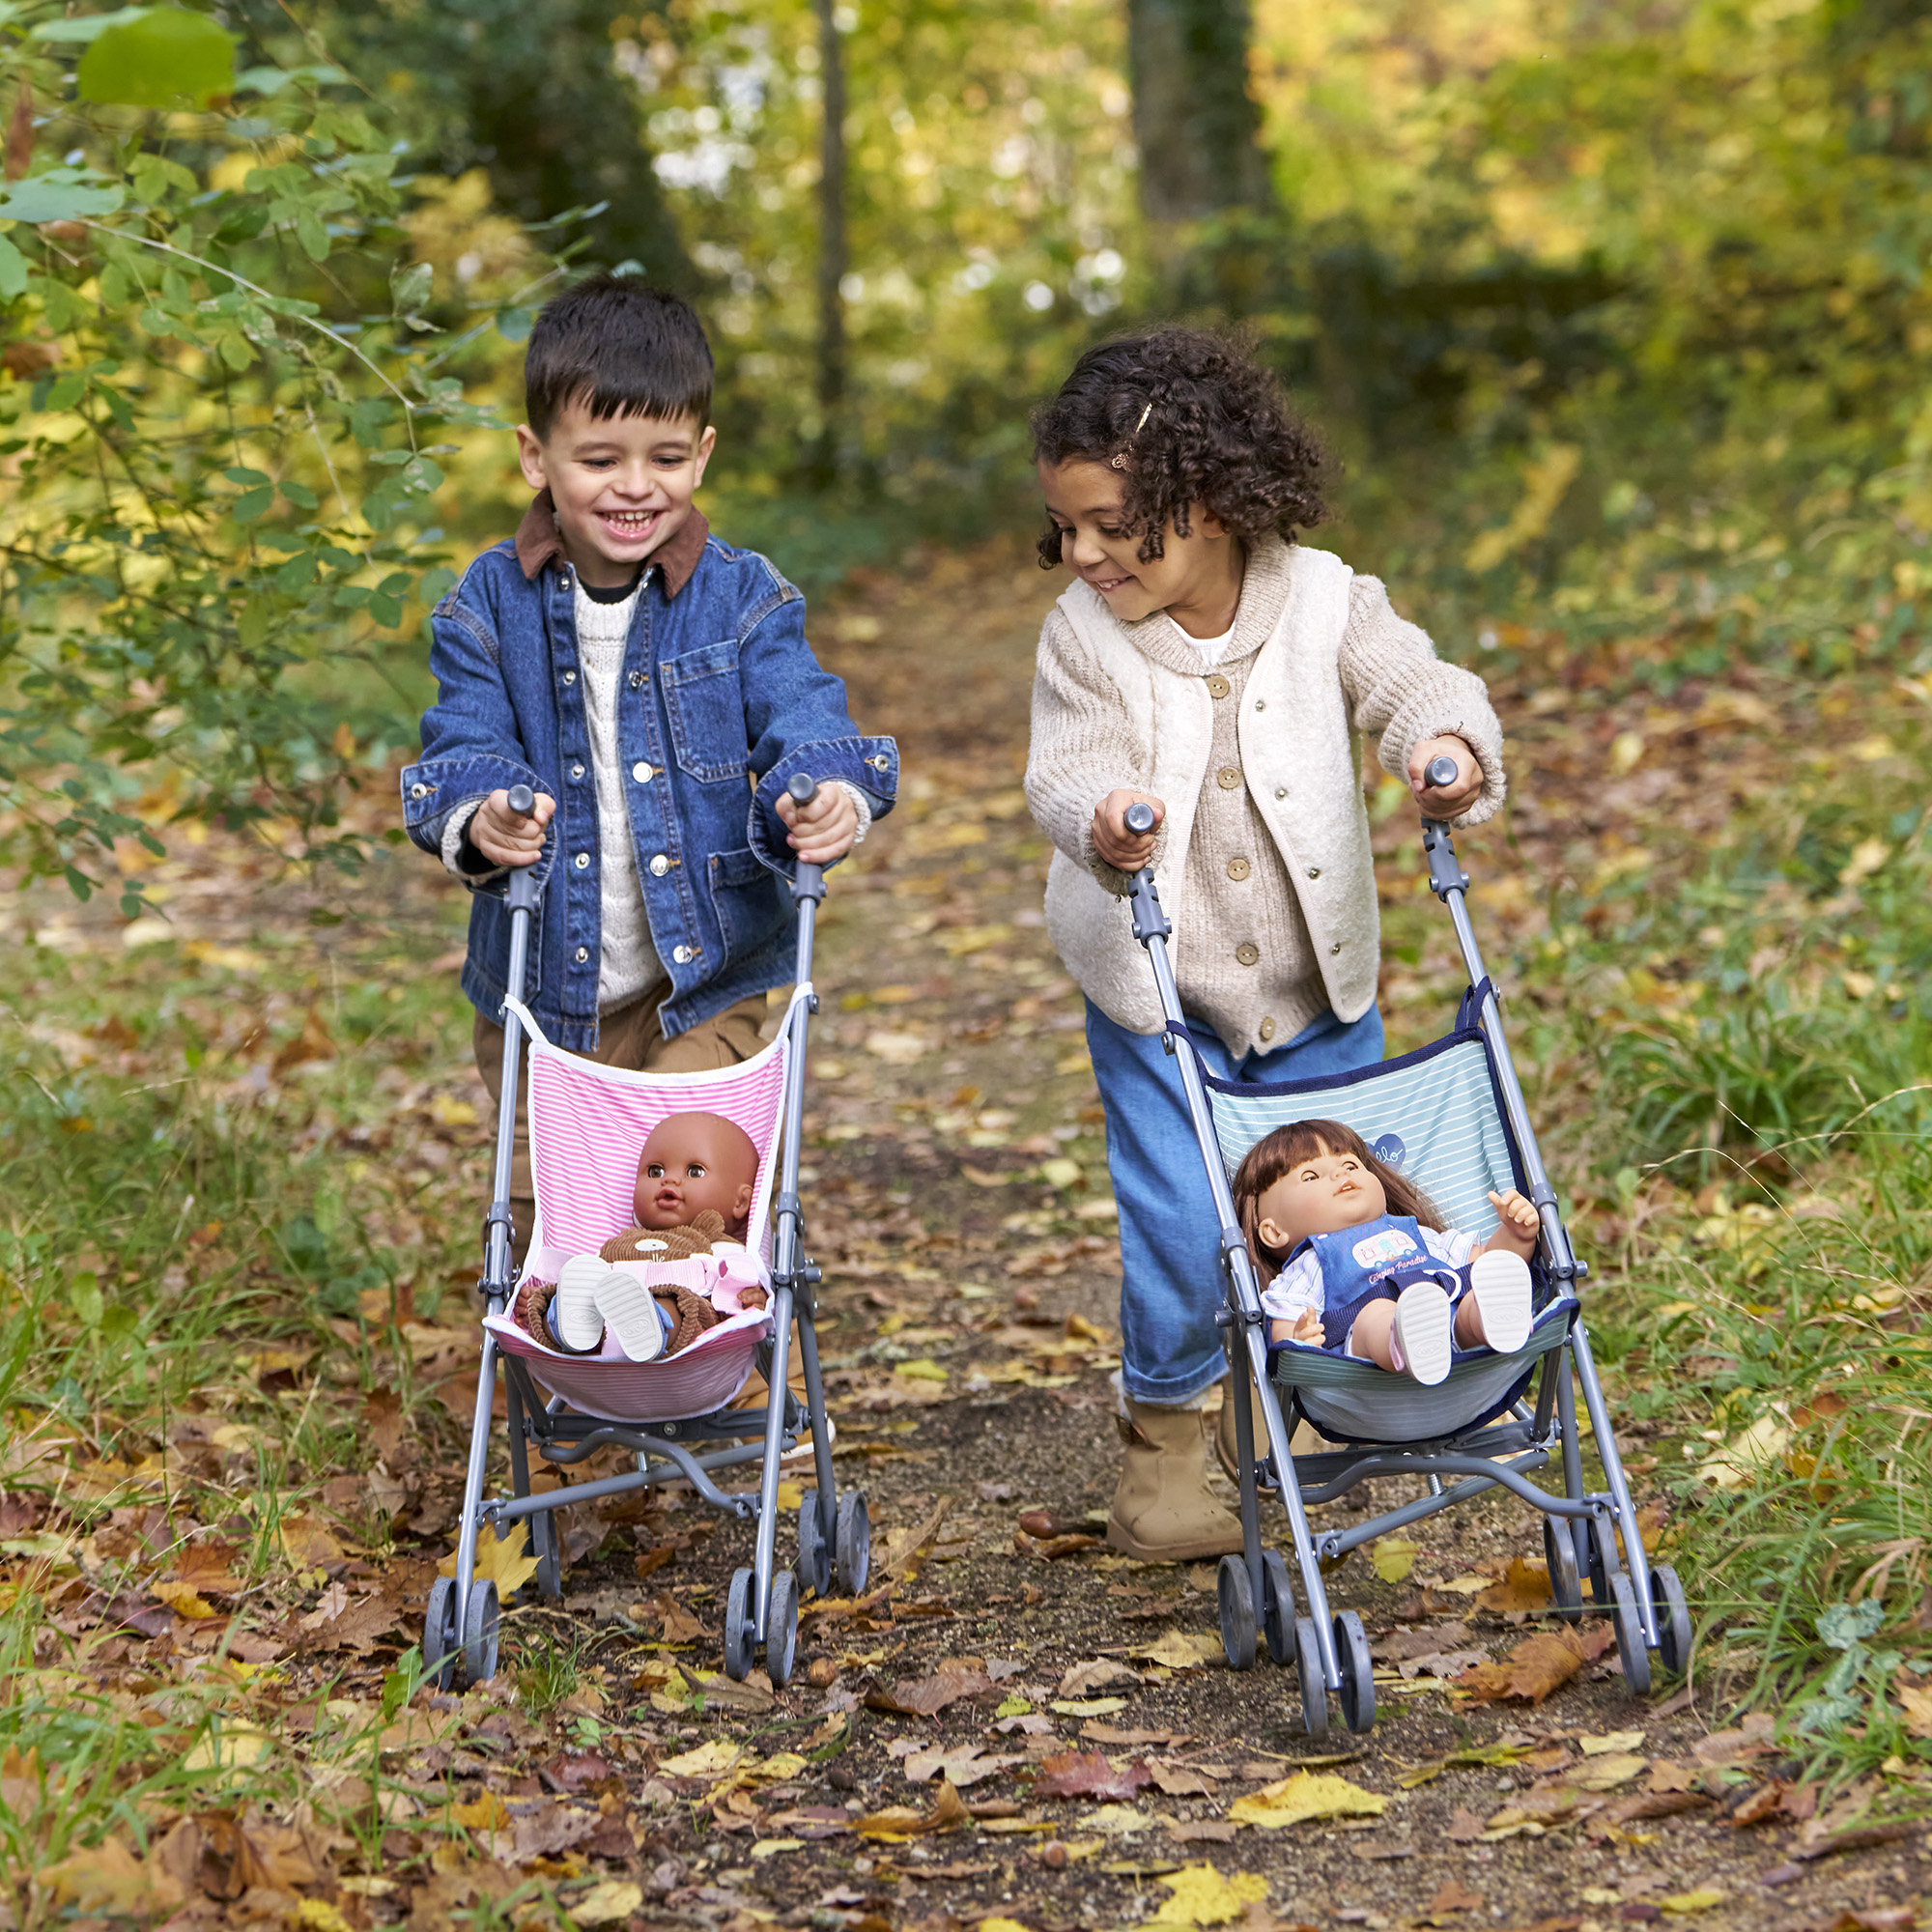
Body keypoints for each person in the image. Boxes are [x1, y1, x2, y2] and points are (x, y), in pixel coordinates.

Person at [1022, 325, 1509, 1561]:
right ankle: (1166, 1443)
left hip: (1317, 994)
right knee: (1190, 1225)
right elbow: (1065, 764)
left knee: (1327, 1210)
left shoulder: (1322, 596)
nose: (1077, 553)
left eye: (1103, 524)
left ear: (1205, 499)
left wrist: (1439, 746)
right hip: (1158, 991)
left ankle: (1283, 1402)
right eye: (1061, 528)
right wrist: (1103, 815)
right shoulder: (1085, 636)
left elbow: (1408, 678)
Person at [401, 276, 897, 1264]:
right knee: (554, 1218)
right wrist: (480, 816)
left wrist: (829, 787)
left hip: (705, 976)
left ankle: (699, 1377)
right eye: (599, 459)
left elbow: (802, 709)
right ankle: (574, 1386)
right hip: (538, 992)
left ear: (702, 453)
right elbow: (462, 741)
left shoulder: (742, 596)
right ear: (535, 457)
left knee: (693, 1185)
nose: (636, 486)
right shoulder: (486, 605)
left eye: (666, 458)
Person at [1233, 1120, 1537, 1385]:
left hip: (1452, 1331)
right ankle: (1405, 1339)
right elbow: (1286, 1318)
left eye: (1350, 1165)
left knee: (1473, 1298)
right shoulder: (1311, 1261)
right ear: (1274, 1232)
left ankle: (1491, 1320)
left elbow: (1484, 1260)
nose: (1341, 1175)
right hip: (1368, 1356)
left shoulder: (1414, 1232)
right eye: (1311, 1176)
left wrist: (1516, 1234)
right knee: (1375, 1315)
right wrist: (1297, 1341)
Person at [511, 1110, 770, 1362]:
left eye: (694, 1171)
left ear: (741, 1202)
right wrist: (538, 1298)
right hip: (598, 1325)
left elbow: (737, 1293)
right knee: (570, 1296)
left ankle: (653, 1321)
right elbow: (581, 1278)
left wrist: (753, 1299)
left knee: (684, 1306)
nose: (669, 1180)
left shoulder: (722, 1249)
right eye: (655, 1171)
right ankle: (562, 1323)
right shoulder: (620, 1242)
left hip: (678, 1333)